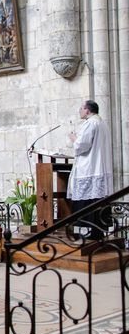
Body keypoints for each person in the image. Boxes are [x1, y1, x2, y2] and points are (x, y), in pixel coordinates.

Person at [67, 100, 113, 240]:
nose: (79, 111)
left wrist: (74, 138)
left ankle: (92, 232)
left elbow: (82, 145)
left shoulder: (90, 123)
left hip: (90, 169)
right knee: (97, 200)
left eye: (81, 108)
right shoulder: (102, 123)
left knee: (89, 201)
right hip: (99, 167)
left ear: (87, 110)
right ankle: (97, 232)